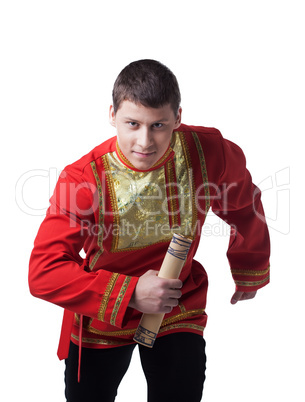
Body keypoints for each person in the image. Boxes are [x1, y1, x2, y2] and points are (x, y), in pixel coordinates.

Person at [29, 59, 270, 402]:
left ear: (178, 117)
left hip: (178, 302)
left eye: (158, 124)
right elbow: (44, 273)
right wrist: (130, 294)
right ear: (112, 114)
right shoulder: (82, 178)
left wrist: (250, 267)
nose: (145, 141)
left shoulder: (207, 149)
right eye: (132, 123)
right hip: (101, 313)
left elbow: (243, 204)